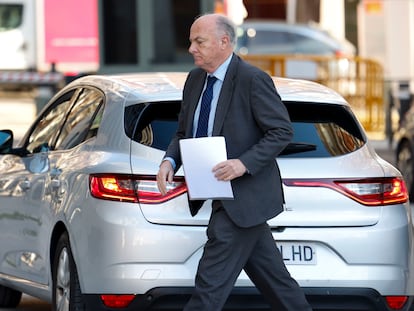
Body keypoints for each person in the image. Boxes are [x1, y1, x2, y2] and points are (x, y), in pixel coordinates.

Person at [156, 13, 312, 311]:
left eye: (199, 41)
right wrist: (169, 160)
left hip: (243, 198)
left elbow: (281, 131)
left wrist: (243, 163)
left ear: (224, 42)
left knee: (208, 288)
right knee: (279, 286)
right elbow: (183, 132)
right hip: (221, 197)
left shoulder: (252, 80)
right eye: (191, 41)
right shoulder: (194, 80)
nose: (191, 48)